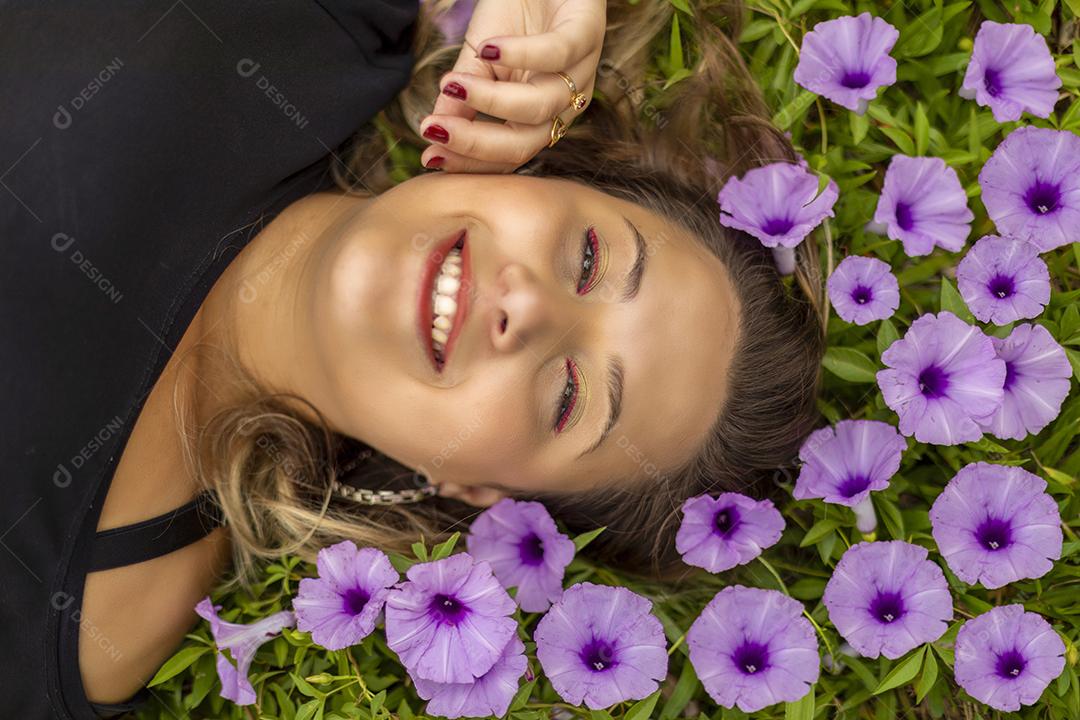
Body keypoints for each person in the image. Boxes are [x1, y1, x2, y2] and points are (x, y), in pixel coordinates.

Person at [0, 0, 824, 717]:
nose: (528, 310)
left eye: (571, 398)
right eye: (586, 260)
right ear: (544, 170)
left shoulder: (89, 617)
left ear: (482, 494)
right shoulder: (321, 28)